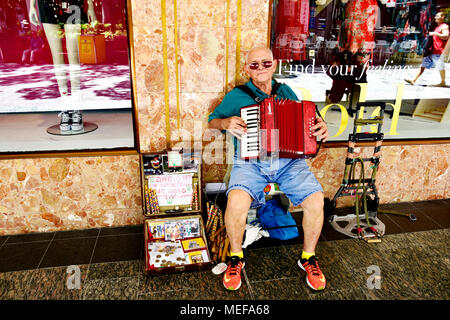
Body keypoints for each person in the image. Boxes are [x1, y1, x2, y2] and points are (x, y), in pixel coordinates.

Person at [208, 46, 329, 291]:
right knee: (236, 201)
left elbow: (309, 117)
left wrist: (321, 125)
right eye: (254, 64)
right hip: (250, 162)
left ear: (274, 65)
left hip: (289, 160)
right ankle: (236, 257)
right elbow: (213, 121)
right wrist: (225, 122)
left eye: (265, 63)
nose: (260, 68)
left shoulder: (286, 91)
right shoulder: (237, 95)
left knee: (316, 200)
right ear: (246, 69)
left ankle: (308, 258)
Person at [28, 0, 97, 131]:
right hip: (47, 4)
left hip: (73, 3)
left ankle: (77, 106)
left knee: (73, 54)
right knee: (57, 54)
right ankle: (65, 106)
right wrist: (32, 6)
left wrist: (91, 6)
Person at [405, 12, 449, 87]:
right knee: (423, 65)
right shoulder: (438, 27)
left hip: (438, 51)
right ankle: (414, 80)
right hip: (432, 50)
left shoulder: (444, 26)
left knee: (440, 66)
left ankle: (443, 81)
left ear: (442, 17)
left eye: (437, 16)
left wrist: (435, 33)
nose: (435, 17)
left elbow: (446, 36)